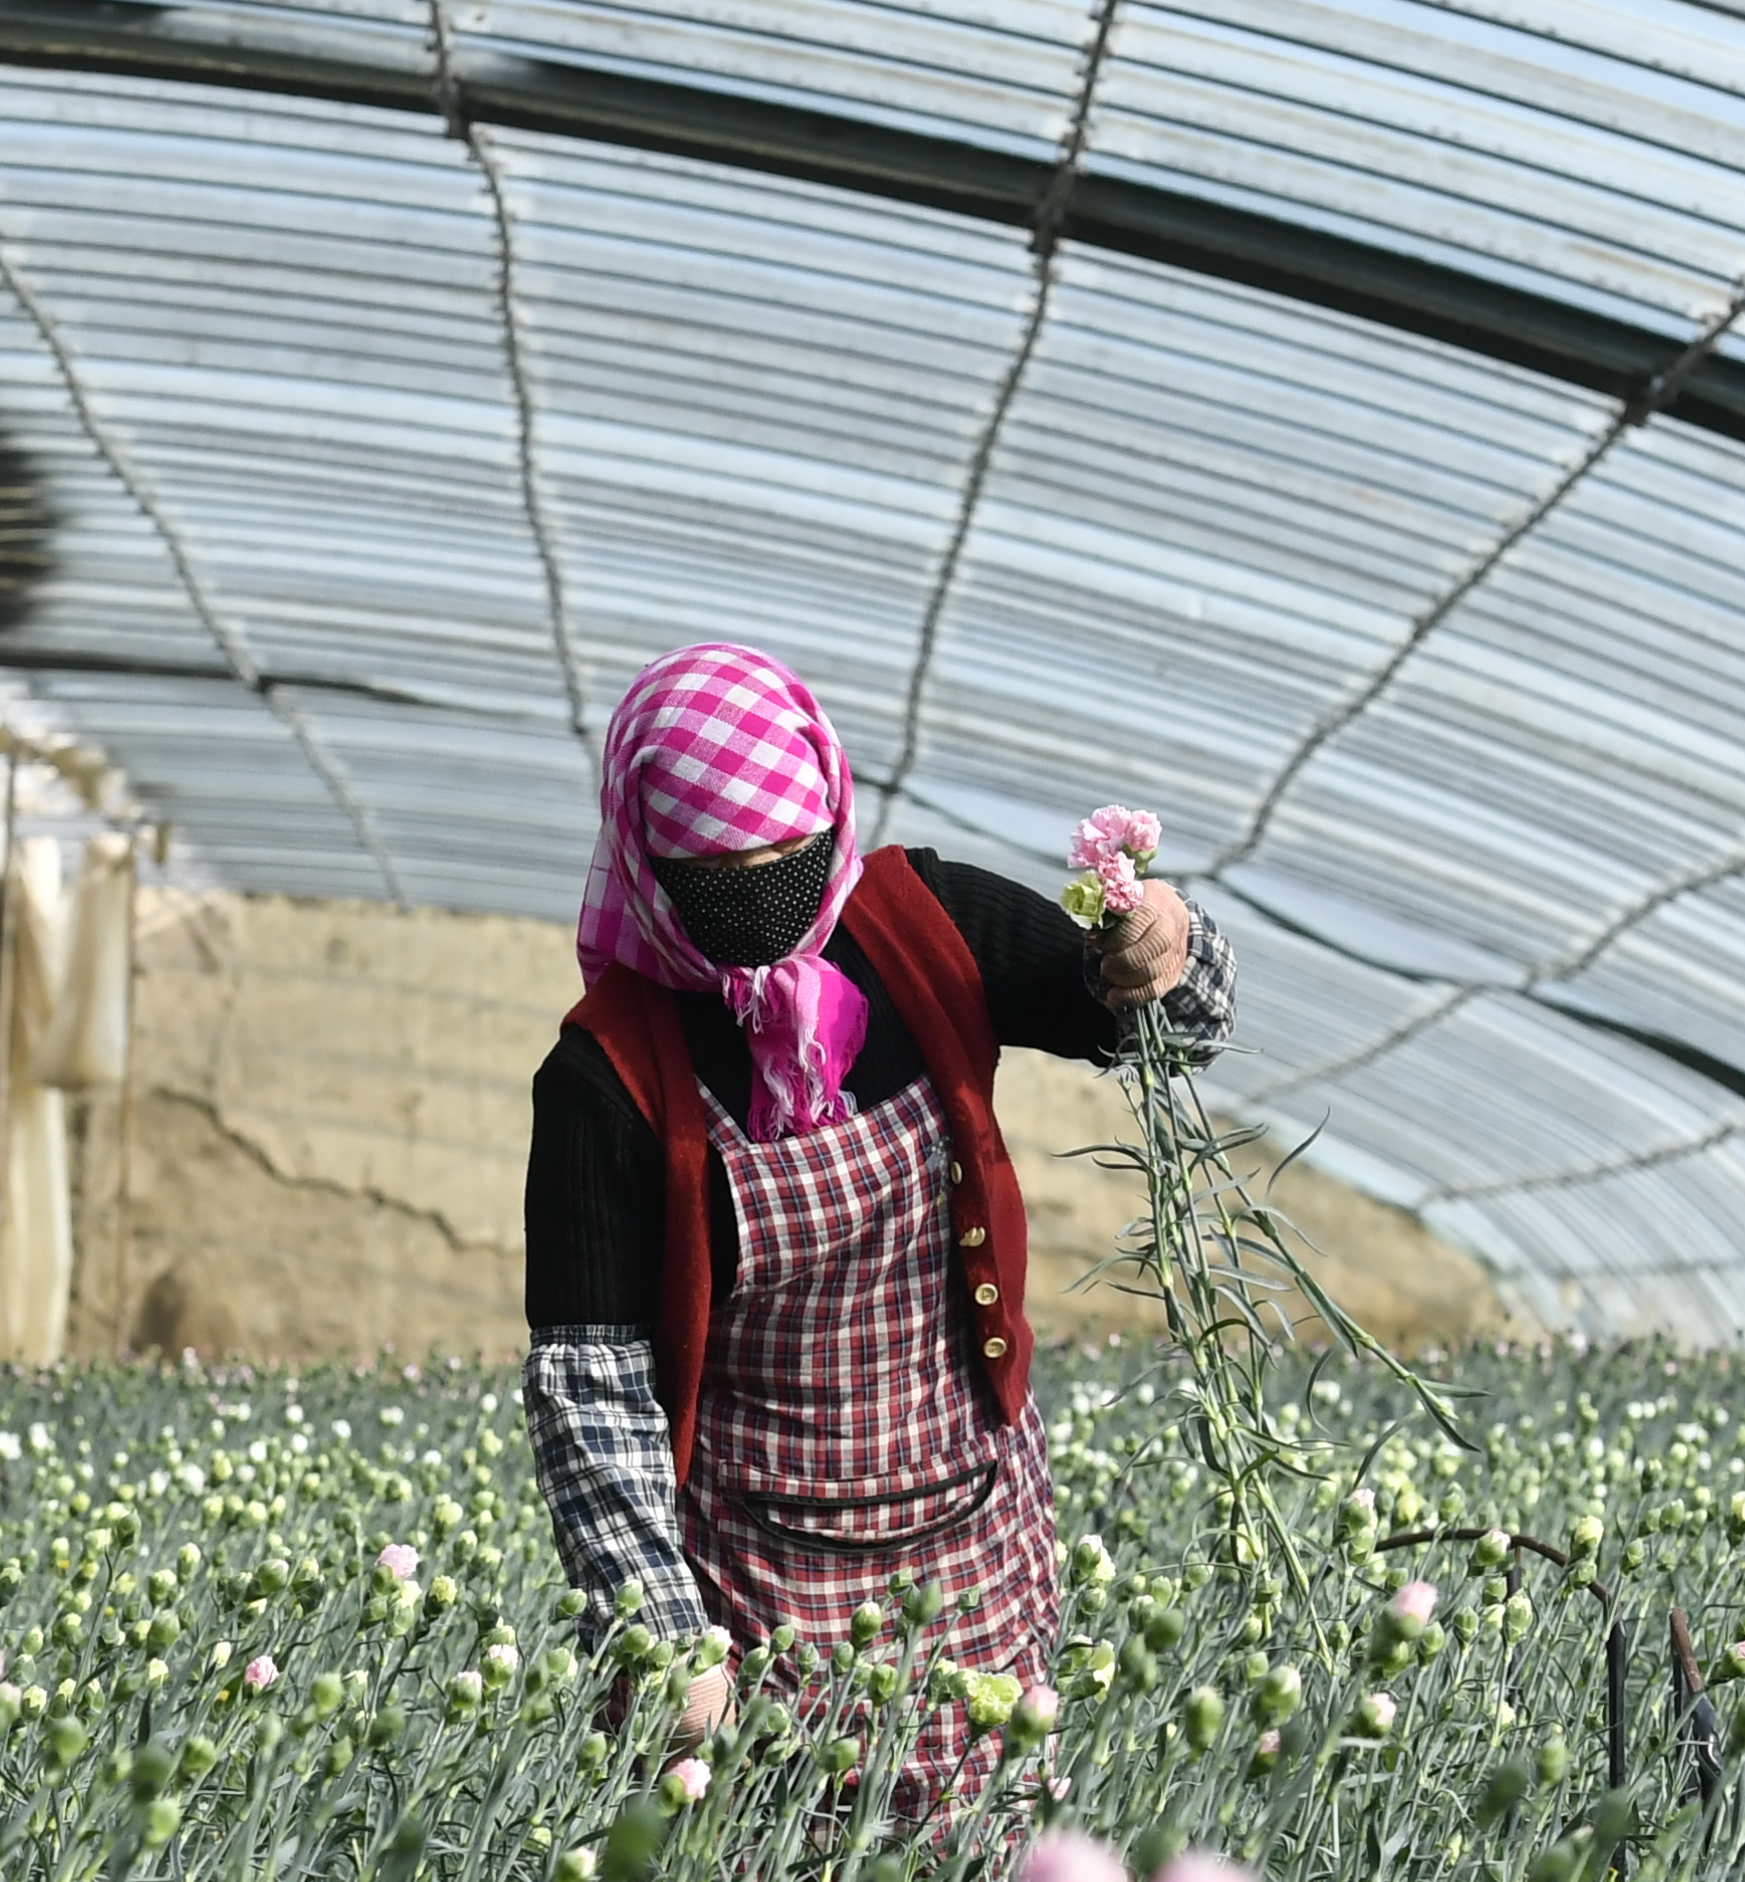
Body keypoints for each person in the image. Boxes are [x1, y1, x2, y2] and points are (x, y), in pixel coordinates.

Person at [519, 644, 1230, 1796]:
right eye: (720, 878)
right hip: (748, 1583)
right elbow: (590, 1390)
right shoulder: (606, 1076)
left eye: (789, 862)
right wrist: (663, 1630)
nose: (763, 898)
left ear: (830, 809)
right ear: (649, 861)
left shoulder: (924, 924)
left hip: (973, 1538)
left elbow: (1168, 1029)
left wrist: (1161, 946)